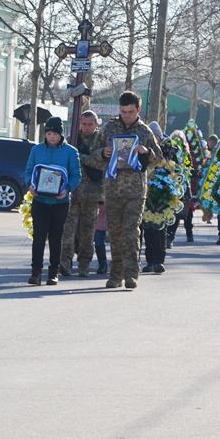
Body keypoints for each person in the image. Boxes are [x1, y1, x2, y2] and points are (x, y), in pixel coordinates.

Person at [86, 91, 162, 290]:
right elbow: (91, 156)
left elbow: (159, 159)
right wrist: (103, 153)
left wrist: (147, 152)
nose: (126, 115)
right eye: (123, 111)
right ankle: (115, 274)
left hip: (136, 191)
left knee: (131, 231)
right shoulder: (109, 128)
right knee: (116, 234)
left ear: (138, 109)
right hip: (112, 189)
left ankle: (131, 274)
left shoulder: (145, 132)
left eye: (130, 111)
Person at [23, 116, 81, 286]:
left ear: (61, 134)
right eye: (48, 133)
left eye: (55, 133)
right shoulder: (37, 150)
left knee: (56, 238)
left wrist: (67, 189)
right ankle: (36, 272)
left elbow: (76, 175)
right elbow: (28, 171)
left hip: (60, 202)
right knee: (39, 237)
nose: (52, 137)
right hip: (40, 200)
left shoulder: (71, 152)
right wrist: (30, 185)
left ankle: (53, 272)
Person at [59, 110, 103, 277]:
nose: (86, 127)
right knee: (67, 231)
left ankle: (84, 264)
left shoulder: (101, 140)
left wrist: (81, 157)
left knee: (87, 232)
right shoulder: (72, 140)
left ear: (96, 123)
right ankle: (65, 262)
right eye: (83, 124)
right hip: (72, 192)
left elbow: (100, 163)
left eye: (90, 124)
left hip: (92, 193)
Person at [93, 202, 109, 275]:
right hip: (99, 211)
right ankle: (102, 264)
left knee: (117, 242)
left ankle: (119, 265)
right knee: (98, 241)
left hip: (114, 209)